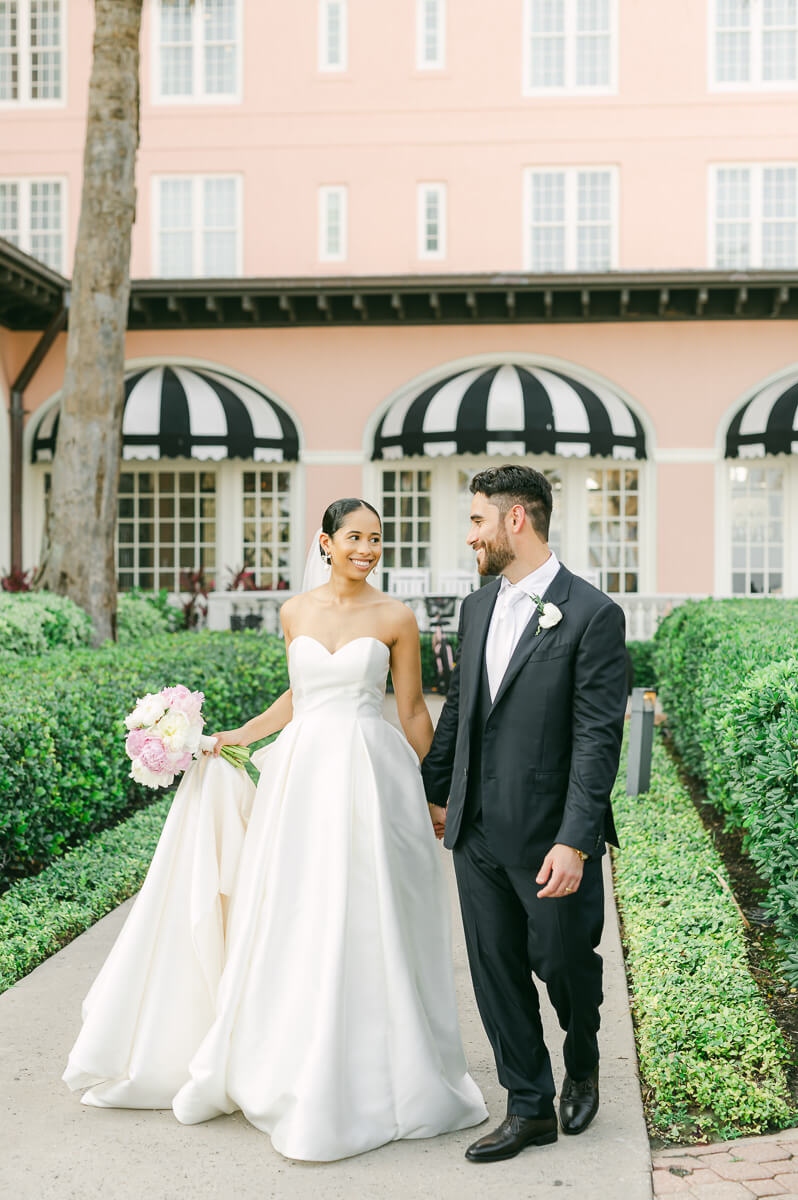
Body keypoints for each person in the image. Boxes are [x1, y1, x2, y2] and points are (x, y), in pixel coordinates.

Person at [64, 497, 486, 1162]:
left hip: (373, 777)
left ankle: (381, 1062)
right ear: (325, 541)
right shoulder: (294, 611)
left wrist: (439, 792)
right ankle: (288, 1056)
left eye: (376, 539)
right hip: (301, 778)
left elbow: (408, 711)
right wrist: (237, 735)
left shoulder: (395, 617)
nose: (367, 549)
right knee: (298, 908)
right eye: (354, 537)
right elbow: (298, 696)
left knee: (373, 910)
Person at [421, 465, 627, 1164]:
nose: (470, 533)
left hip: (548, 837)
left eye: (477, 519)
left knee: (563, 962)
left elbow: (599, 740)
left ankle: (584, 1050)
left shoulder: (594, 614)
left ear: (516, 520)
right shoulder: (477, 607)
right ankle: (530, 1107)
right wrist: (435, 790)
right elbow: (462, 715)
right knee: (495, 970)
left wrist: (576, 840)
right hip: (476, 829)